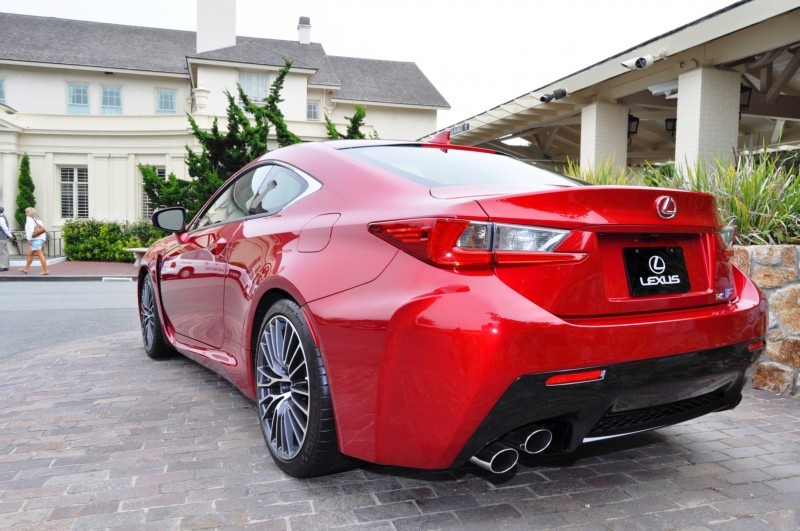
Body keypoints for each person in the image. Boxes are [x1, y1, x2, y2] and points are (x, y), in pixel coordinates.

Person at [20, 207, 49, 275]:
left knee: (40, 255)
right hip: (40, 239)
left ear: (30, 213)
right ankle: (26, 269)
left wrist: (29, 239)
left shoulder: (29, 219)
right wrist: (44, 240)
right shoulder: (38, 220)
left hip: (35, 240)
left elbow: (30, 230)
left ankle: (46, 270)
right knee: (30, 254)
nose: (25, 213)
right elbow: (43, 231)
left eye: (27, 212)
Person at [0, 206, 13, 272]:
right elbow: (7, 227)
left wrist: (10, 235)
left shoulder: (1, 218)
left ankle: (4, 266)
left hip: (2, 237)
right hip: (3, 237)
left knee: (3, 252)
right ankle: (5, 265)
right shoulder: (3, 217)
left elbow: (5, 228)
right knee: (4, 251)